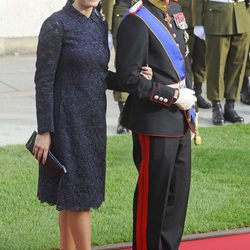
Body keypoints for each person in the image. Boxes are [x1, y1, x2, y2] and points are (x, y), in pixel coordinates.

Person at [33, 0, 152, 249]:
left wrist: (133, 80)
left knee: (70, 196)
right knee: (78, 196)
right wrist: (45, 131)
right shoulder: (56, 25)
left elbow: (98, 73)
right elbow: (44, 82)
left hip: (93, 123)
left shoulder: (99, 24)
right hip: (65, 124)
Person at [116, 0, 197, 249]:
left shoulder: (173, 10)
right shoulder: (136, 19)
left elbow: (184, 62)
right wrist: (171, 95)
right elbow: (128, 78)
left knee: (176, 198)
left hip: (180, 118)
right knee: (153, 201)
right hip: (153, 121)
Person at [192, 0, 250, 125]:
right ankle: (216, 106)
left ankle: (230, 105)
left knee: (238, 64)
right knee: (216, 65)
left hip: (242, 14)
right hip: (216, 15)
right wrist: (198, 22)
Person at [102, 0, 132, 134]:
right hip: (123, 15)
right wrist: (107, 27)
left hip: (146, 15)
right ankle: (124, 116)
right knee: (124, 67)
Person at [178, 0, 211, 109]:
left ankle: (198, 92)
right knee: (184, 59)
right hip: (183, 17)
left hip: (204, 17)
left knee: (201, 58)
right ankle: (184, 92)